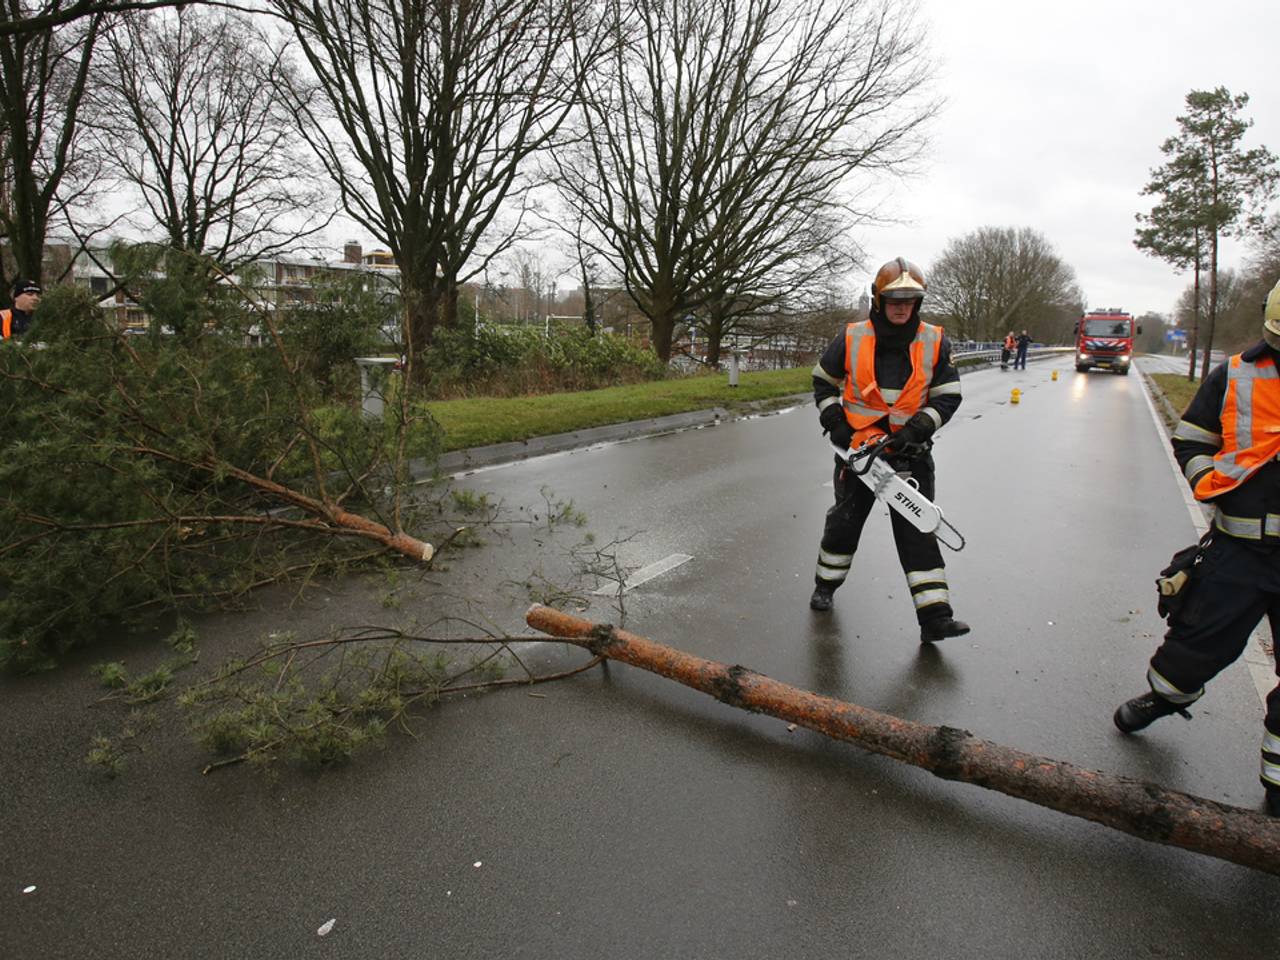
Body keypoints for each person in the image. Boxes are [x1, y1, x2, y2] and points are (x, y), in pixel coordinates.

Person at [1113, 277, 1280, 818]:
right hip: (1239, 548)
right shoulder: (1236, 374)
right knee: (1193, 648)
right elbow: (1192, 437)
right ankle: (1164, 699)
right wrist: (1210, 482)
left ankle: (1276, 793)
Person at [808, 256, 969, 643]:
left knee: (918, 530)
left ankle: (935, 618)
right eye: (894, 300)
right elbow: (822, 382)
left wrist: (919, 427)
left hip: (909, 454)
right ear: (878, 300)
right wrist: (837, 424)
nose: (902, 307)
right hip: (859, 454)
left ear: (919, 303)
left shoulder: (934, 340)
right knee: (845, 523)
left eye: (910, 301)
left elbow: (948, 395)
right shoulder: (852, 336)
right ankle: (825, 586)